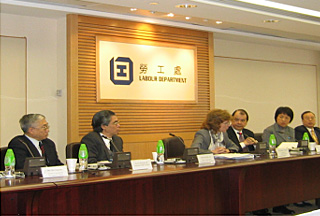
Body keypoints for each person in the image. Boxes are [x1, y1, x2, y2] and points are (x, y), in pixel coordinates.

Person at [262, 106, 295, 215]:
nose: (283, 120)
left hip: (288, 161)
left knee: (286, 183)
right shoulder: (269, 130)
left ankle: (281, 205)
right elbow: (267, 147)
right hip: (273, 162)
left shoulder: (291, 130)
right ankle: (273, 204)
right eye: (281, 117)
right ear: (276, 118)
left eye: (287, 118)